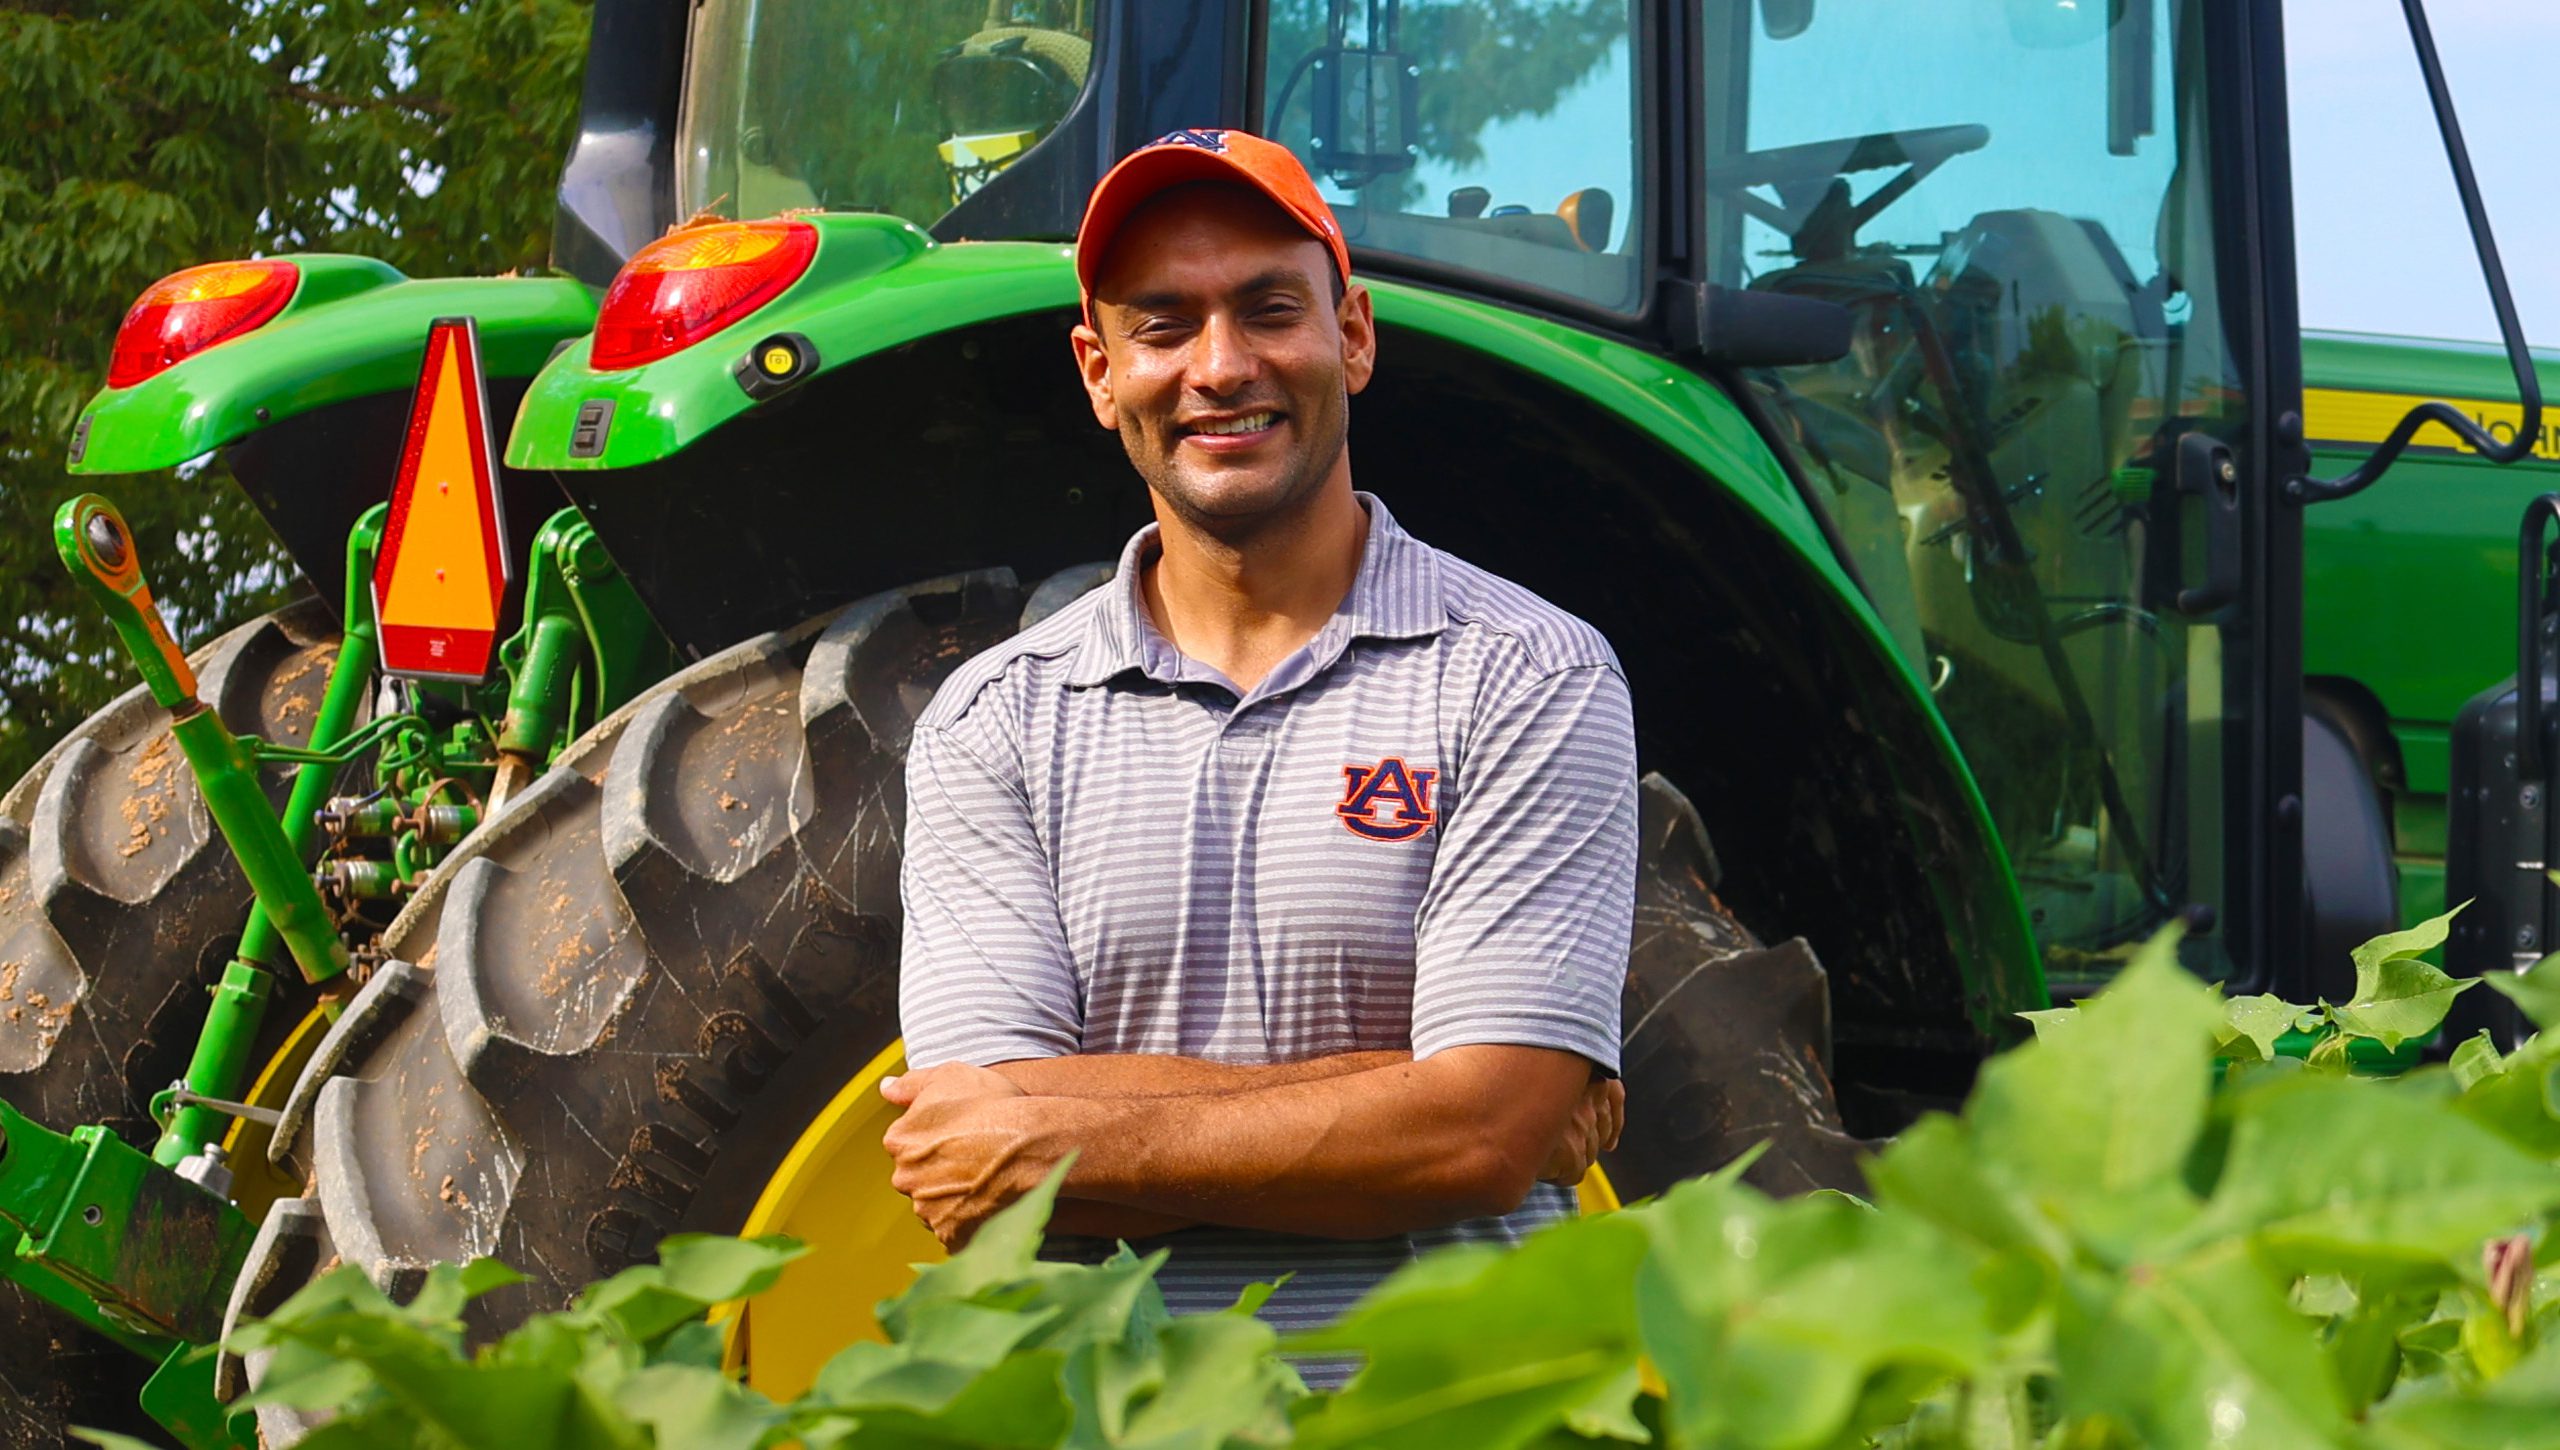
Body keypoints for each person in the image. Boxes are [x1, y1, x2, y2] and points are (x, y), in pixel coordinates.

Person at [883, 127, 1638, 1362]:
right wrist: (1423, 1099)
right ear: (1097, 369)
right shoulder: (992, 721)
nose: (1220, 367)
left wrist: (1060, 1124)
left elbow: (1483, 1137)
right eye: (1163, 324)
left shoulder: (1529, 673)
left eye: (1268, 309)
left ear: (1351, 333)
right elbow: (975, 1176)